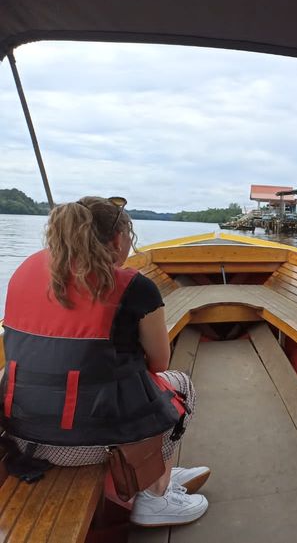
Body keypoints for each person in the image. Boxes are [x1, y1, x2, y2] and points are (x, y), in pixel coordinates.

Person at [0, 196, 209, 527]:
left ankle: (156, 472)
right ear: (117, 239)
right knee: (178, 386)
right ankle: (156, 495)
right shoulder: (134, 288)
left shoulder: (24, 271)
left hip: (22, 437)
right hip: (84, 447)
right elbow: (158, 362)